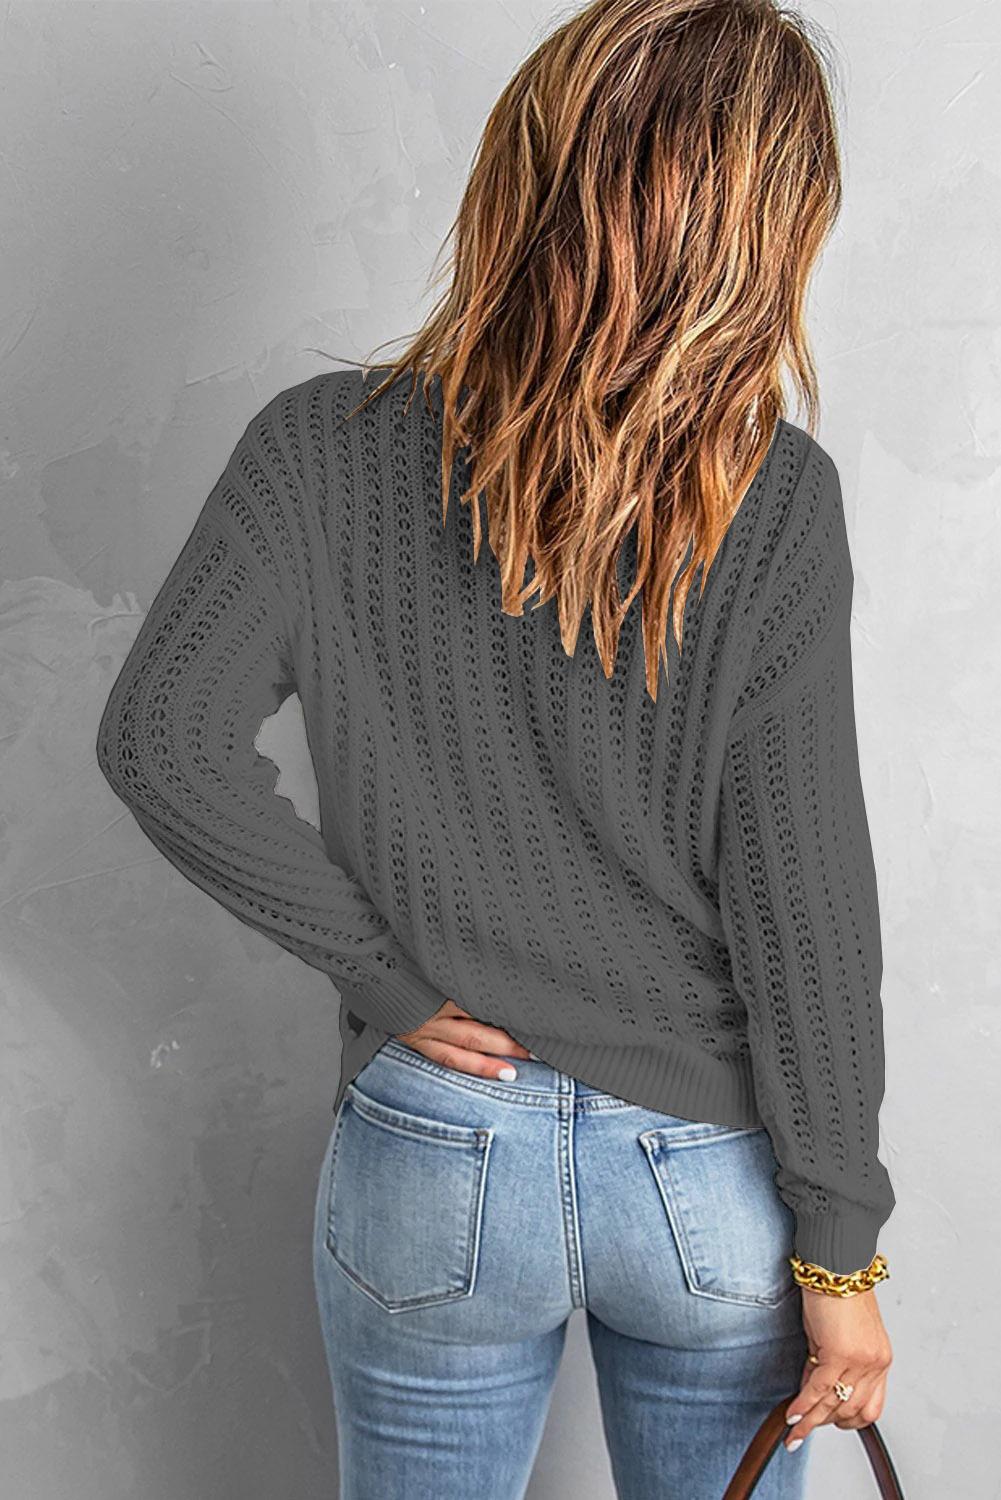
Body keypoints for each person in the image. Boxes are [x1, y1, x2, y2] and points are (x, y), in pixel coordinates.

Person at [95, 1, 897, 1495]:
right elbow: (807, 907)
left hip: (437, 1143)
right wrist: (842, 1255)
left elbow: (162, 738)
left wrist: (387, 982)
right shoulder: (775, 496)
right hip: (700, 1169)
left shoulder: (316, 446)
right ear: (768, 228)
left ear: (522, 171)